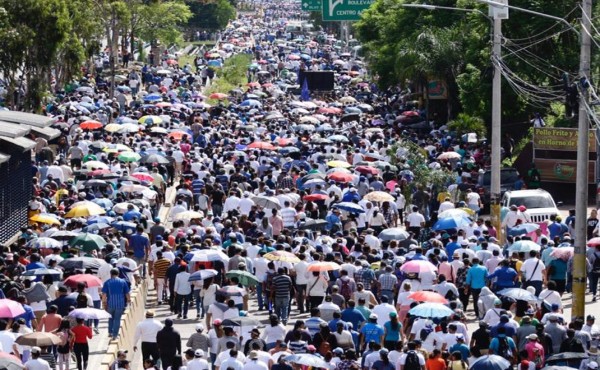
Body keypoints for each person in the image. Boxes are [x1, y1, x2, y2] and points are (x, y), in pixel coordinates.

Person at [102, 268, 131, 340]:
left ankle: (110, 332)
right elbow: (127, 293)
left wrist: (104, 303)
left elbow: (104, 294)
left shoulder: (107, 282)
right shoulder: (123, 282)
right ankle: (115, 335)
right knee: (117, 319)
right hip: (120, 304)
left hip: (110, 304)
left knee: (110, 318)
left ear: (111, 274)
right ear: (118, 274)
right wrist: (128, 300)